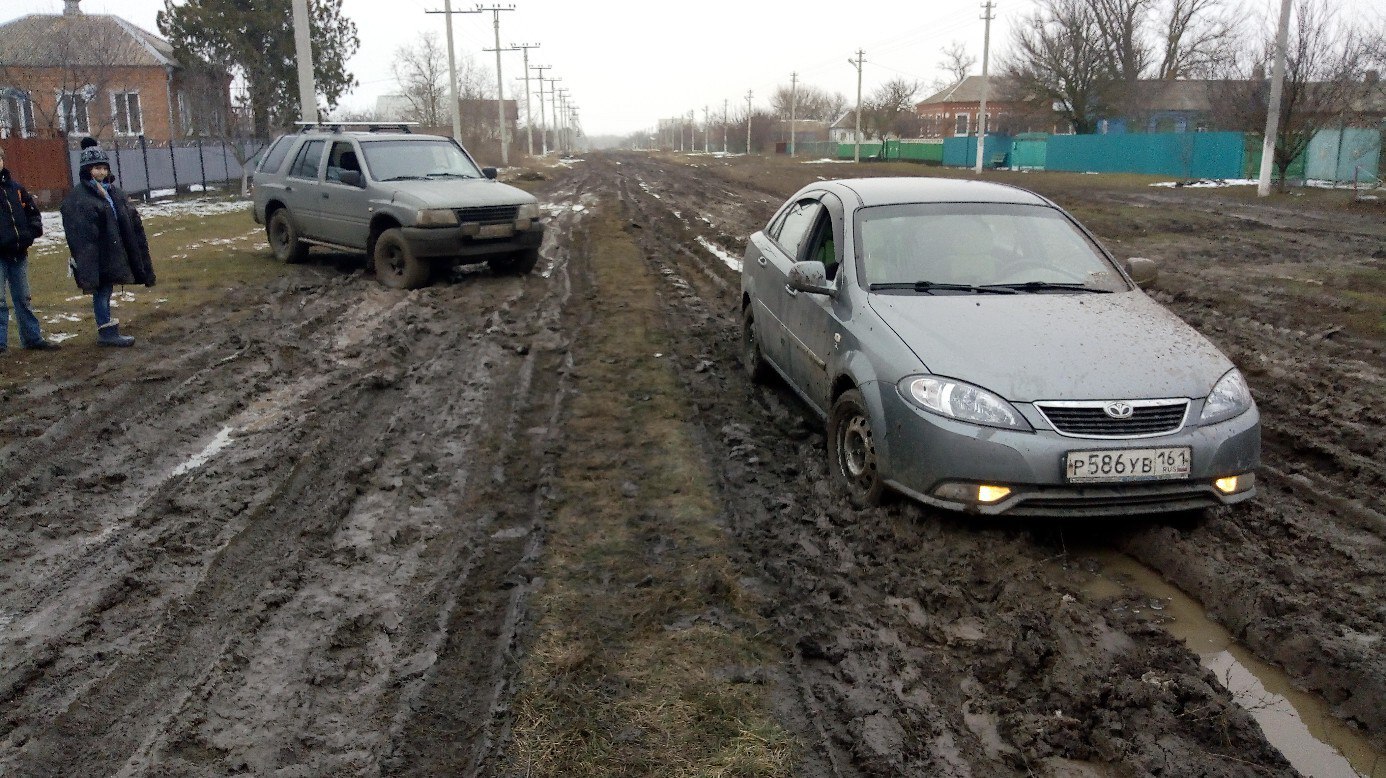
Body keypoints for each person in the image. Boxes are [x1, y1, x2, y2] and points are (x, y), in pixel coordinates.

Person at [60, 141, 155, 347]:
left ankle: (108, 328)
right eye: (96, 168)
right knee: (101, 292)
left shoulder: (112, 192)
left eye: (104, 168)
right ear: (87, 170)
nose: (101, 172)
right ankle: (106, 331)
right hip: (98, 255)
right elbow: (82, 232)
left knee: (107, 291)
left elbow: (126, 218)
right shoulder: (81, 198)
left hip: (113, 252)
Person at [0, 145, 58, 352]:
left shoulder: (16, 188)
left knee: (23, 298)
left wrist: (30, 233)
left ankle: (32, 338)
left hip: (18, 253)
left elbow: (33, 214)